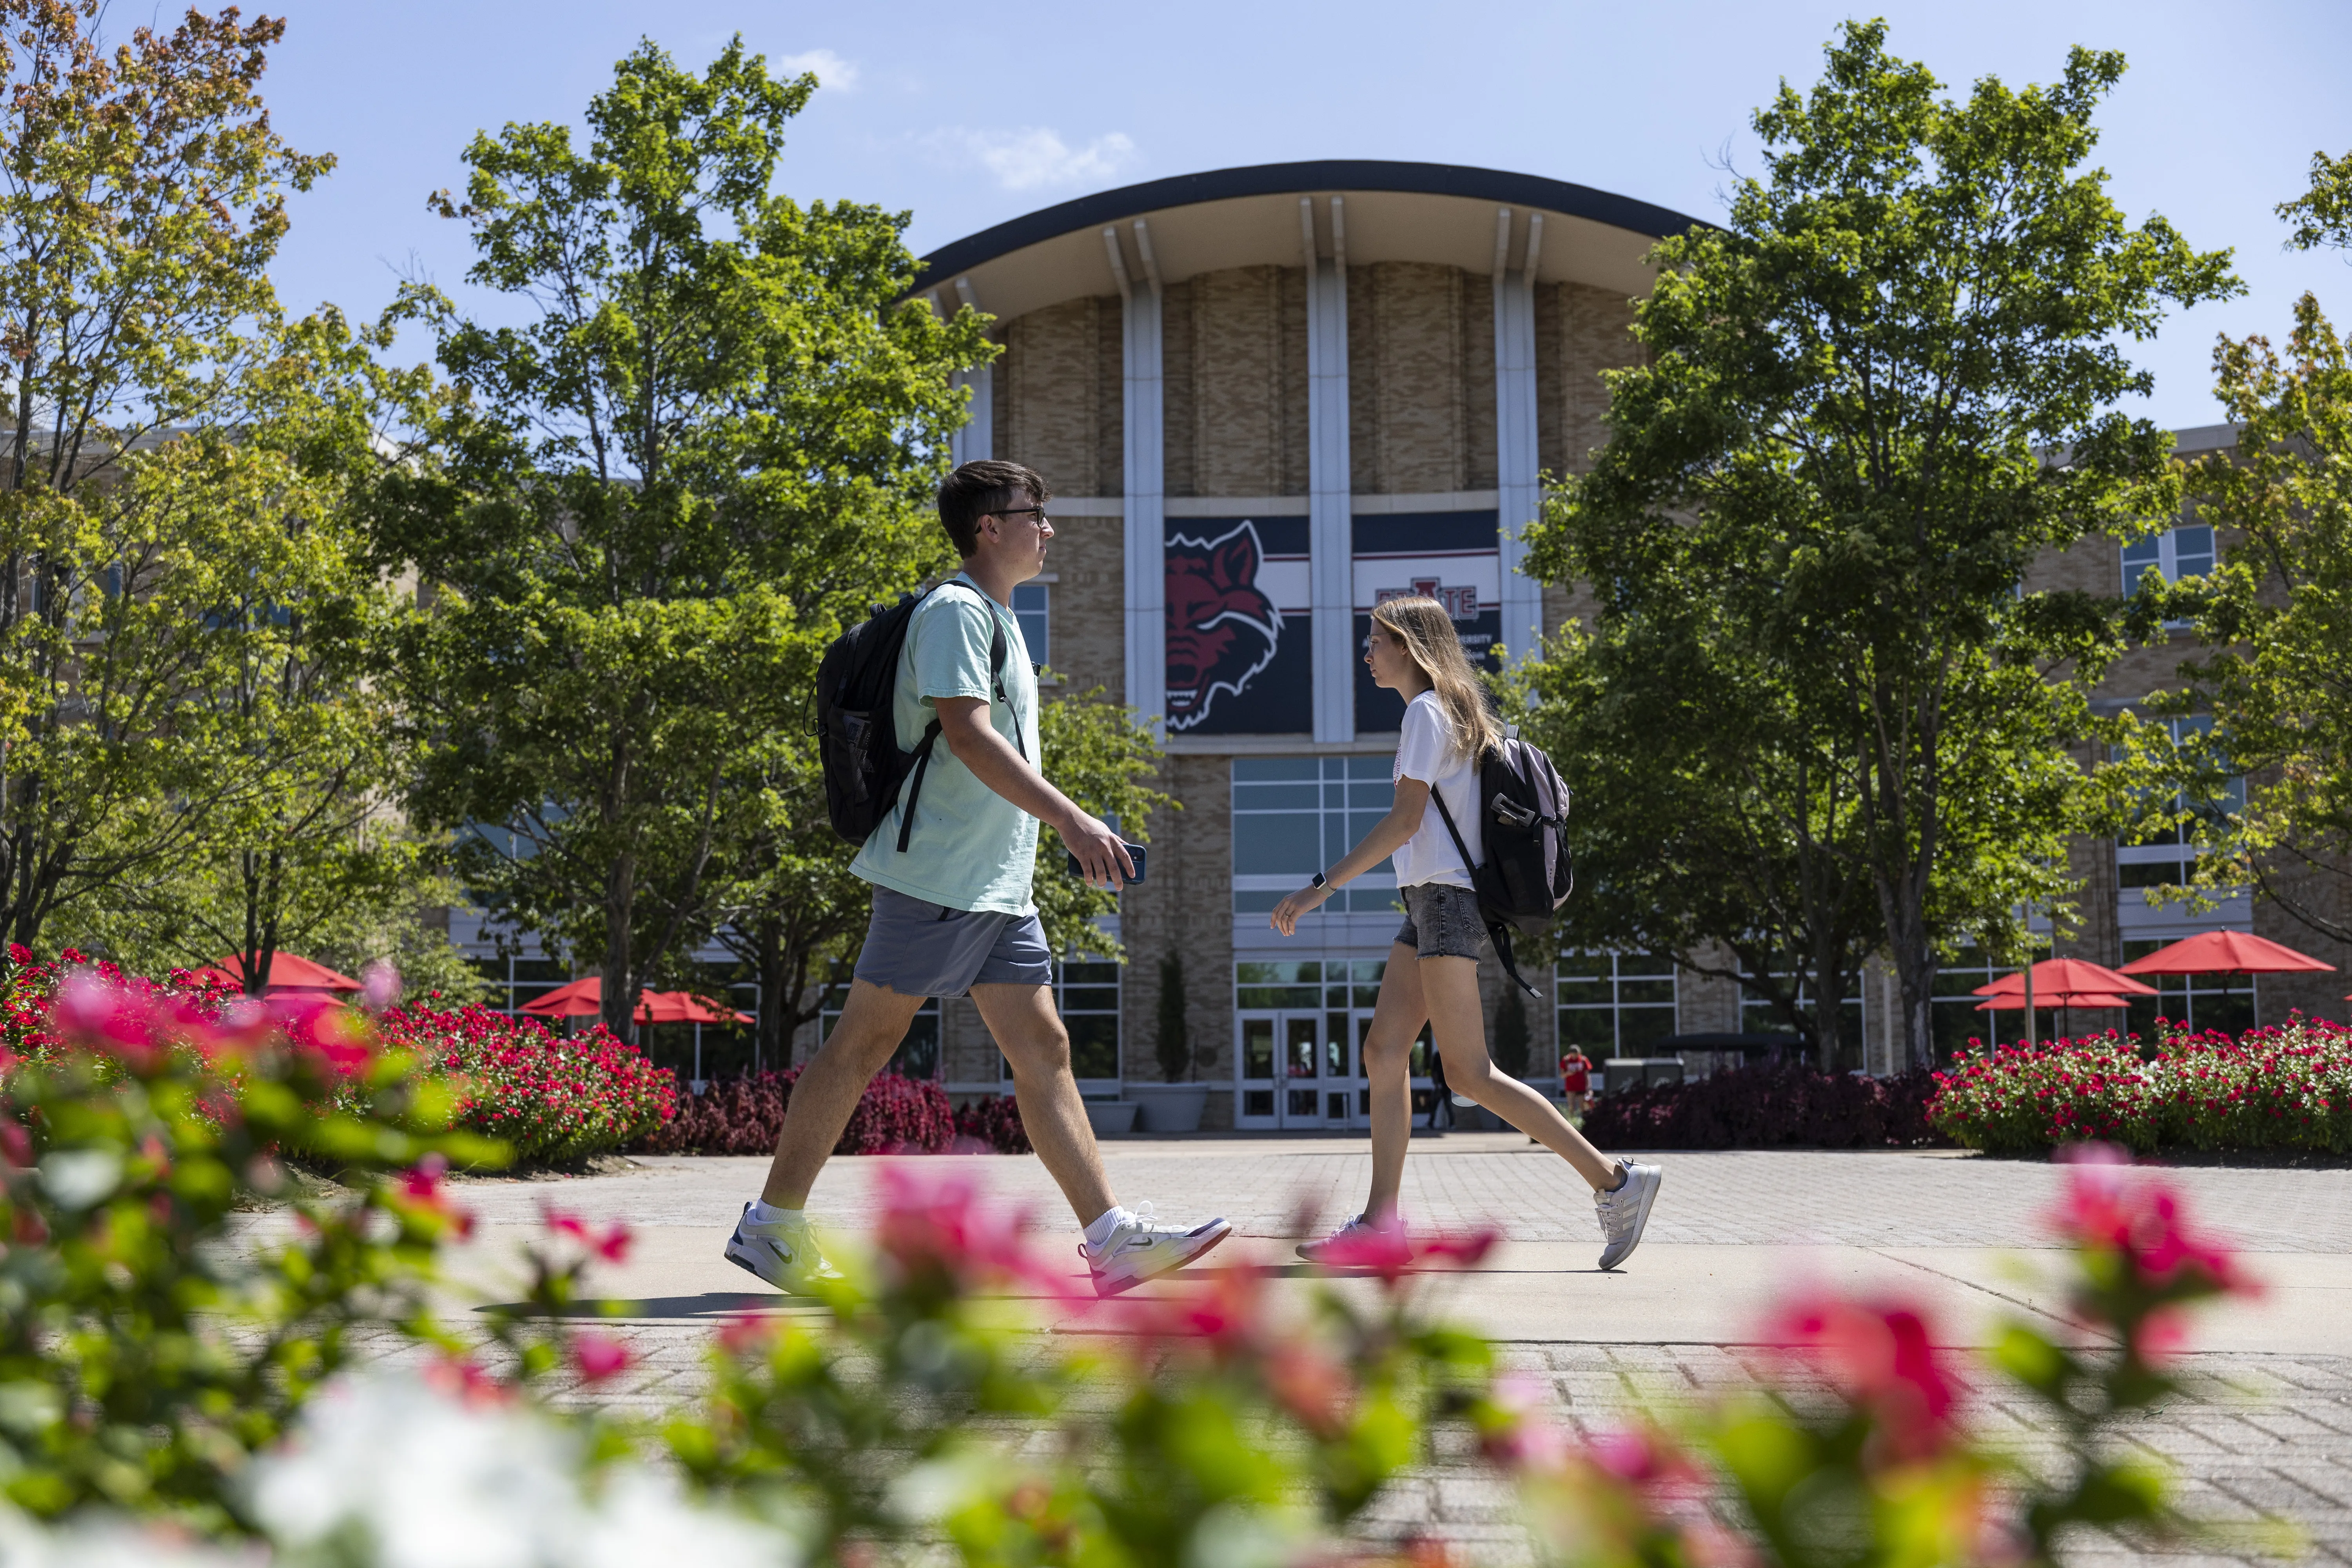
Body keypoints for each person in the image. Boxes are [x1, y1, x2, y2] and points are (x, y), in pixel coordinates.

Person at [726, 459, 1232, 1298]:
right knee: (861, 1046)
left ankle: (1111, 1239)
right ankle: (773, 1225)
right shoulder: (958, 612)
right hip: (939, 874)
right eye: (1036, 512)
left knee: (1044, 1048)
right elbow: (966, 735)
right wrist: (1071, 818)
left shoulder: (997, 617)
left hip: (994, 883)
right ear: (989, 527)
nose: (1049, 527)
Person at [1270, 596, 1662, 1271]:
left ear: (1410, 647)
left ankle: (1616, 1182)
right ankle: (1381, 1222)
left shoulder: (1427, 712)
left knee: (1468, 1072)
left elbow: (1403, 822)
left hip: (1447, 903)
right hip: (1429, 902)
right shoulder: (1441, 713)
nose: (1367, 655)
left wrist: (1320, 887)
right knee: (1384, 1053)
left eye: (1376, 642)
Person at [1559, 1049, 1593, 1122]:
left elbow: (1587, 1075)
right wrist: (1569, 1073)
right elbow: (1562, 1075)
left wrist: (1589, 1088)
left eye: (1576, 1054)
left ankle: (1585, 1122)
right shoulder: (1566, 1061)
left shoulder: (1583, 1060)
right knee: (1572, 1107)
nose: (1575, 1056)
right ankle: (1572, 1123)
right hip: (1571, 1087)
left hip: (1582, 1087)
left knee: (1583, 1107)